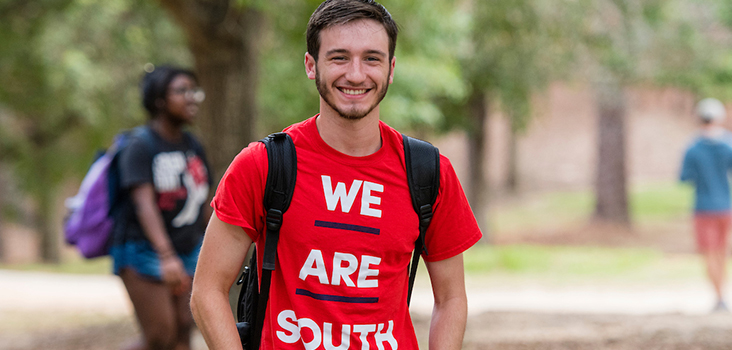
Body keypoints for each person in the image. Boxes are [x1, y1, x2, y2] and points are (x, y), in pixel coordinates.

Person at [190, 0, 482, 349]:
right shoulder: (264, 164)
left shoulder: (429, 172)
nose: (356, 74)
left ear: (390, 69)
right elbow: (207, 291)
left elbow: (451, 299)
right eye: (339, 57)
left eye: (371, 58)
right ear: (311, 66)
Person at [111, 65, 211, 350]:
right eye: (181, 91)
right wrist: (166, 257)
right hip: (142, 251)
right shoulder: (140, 145)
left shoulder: (192, 145)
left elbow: (203, 200)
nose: (191, 97)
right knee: (160, 334)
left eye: (194, 91)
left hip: (187, 250)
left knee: (183, 330)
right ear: (159, 100)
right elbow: (144, 205)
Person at [679, 97, 732, 313]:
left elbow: (684, 178)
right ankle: (723, 295)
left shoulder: (692, 148)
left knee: (708, 253)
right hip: (726, 207)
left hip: (703, 207)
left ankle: (719, 296)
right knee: (723, 251)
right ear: (720, 118)